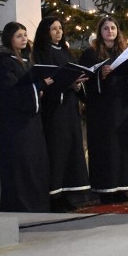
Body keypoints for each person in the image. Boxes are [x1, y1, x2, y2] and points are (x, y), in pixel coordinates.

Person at [79, 15, 128, 204]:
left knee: (123, 147)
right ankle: (105, 189)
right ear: (100, 32)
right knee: (105, 148)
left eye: (113, 28)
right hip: (101, 110)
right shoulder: (90, 54)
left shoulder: (126, 53)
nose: (110, 32)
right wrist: (100, 74)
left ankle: (122, 187)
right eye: (106, 28)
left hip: (123, 107)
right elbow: (83, 82)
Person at [32, 16, 90, 212]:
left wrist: (78, 83)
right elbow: (45, 79)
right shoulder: (41, 52)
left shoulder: (65, 51)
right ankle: (54, 195)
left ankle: (67, 192)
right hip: (54, 109)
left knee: (71, 150)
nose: (58, 32)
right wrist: (67, 84)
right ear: (45, 31)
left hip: (70, 108)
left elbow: (72, 73)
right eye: (53, 29)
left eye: (60, 28)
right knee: (56, 151)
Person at [0, 22, 51, 212]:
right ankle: (20, 206)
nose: (24, 38)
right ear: (9, 39)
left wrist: (38, 89)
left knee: (34, 164)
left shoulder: (27, 61)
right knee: (20, 166)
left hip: (31, 123)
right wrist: (38, 86)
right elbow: (10, 92)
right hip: (15, 125)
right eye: (19, 35)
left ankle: (37, 205)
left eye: (25, 34)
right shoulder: (3, 61)